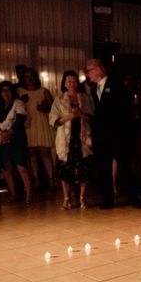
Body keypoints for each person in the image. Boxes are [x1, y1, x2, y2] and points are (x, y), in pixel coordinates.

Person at [86, 59, 141, 209]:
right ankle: (107, 200)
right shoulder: (92, 90)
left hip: (118, 133)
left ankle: (133, 197)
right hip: (101, 135)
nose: (87, 74)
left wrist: (125, 130)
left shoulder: (116, 85)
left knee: (125, 165)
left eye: (89, 70)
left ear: (98, 70)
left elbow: (125, 109)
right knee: (103, 167)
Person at [49, 70, 95, 210]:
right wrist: (69, 116)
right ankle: (67, 198)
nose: (72, 84)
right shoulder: (59, 99)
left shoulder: (85, 98)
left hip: (82, 137)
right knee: (65, 169)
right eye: (69, 81)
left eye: (74, 81)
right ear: (64, 83)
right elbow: (53, 120)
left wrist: (81, 115)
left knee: (83, 169)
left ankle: (82, 198)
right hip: (66, 138)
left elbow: (92, 117)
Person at [0, 81, 32, 204]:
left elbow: (20, 120)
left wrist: (8, 133)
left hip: (17, 138)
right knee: (7, 167)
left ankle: (29, 194)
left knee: (21, 166)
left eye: (8, 90)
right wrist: (0, 132)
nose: (5, 93)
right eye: (3, 90)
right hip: (2, 140)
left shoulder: (18, 103)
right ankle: (13, 194)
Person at [17, 67, 56, 189]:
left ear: (35, 77)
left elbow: (53, 108)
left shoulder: (44, 91)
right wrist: (20, 101)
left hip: (41, 123)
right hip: (29, 125)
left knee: (45, 152)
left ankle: (51, 179)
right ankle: (36, 179)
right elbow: (15, 108)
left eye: (31, 76)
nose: (29, 79)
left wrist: (45, 108)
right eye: (26, 76)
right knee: (32, 153)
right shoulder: (19, 91)